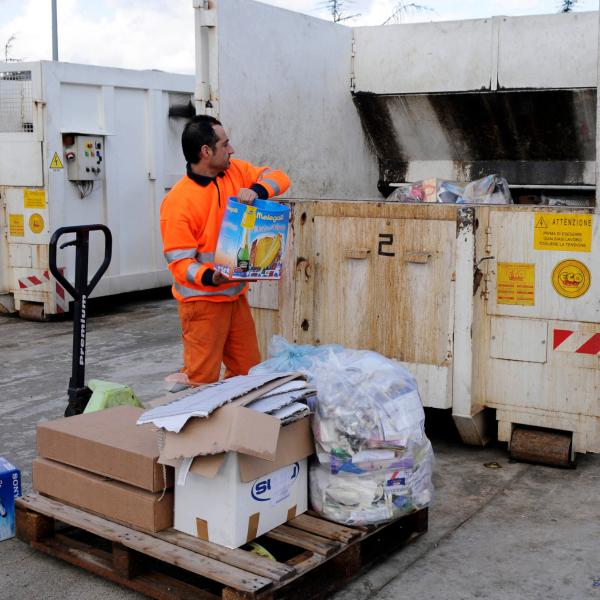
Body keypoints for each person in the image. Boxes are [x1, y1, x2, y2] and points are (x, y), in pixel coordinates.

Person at [160, 114, 290, 386]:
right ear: (206, 152)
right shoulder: (177, 203)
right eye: (225, 144)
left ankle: (237, 427)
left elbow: (280, 177)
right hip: (202, 304)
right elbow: (179, 262)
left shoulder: (236, 171)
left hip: (235, 298)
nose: (231, 150)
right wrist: (211, 277)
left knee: (249, 375)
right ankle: (191, 426)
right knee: (201, 380)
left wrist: (258, 190)